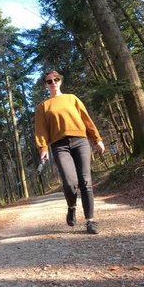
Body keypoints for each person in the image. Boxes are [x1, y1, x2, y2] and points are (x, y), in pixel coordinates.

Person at [34, 70, 105, 234]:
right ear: (45, 85)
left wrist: (97, 139)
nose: (53, 82)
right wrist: (43, 148)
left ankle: (90, 221)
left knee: (85, 181)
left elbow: (87, 119)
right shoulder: (43, 107)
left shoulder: (72, 98)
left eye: (56, 79)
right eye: (49, 81)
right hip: (59, 145)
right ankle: (71, 207)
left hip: (80, 141)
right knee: (70, 182)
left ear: (60, 81)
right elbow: (41, 130)